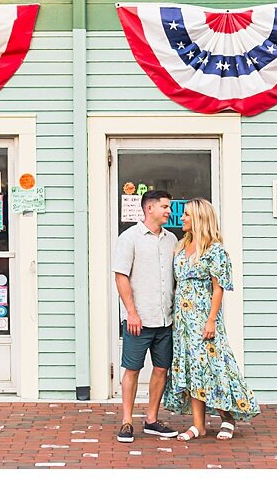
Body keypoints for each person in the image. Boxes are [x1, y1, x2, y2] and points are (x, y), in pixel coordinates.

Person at [163, 198, 260, 440]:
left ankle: (227, 417)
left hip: (203, 317)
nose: (182, 218)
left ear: (198, 218)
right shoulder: (180, 246)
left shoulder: (215, 250)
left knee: (213, 367)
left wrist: (211, 320)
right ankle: (198, 425)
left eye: (186, 214)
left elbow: (219, 288)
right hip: (183, 321)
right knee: (192, 368)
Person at [111, 188, 180, 442]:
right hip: (138, 320)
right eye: (165, 207)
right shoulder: (129, 238)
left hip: (166, 320)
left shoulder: (172, 239)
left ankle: (151, 419)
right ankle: (127, 421)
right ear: (149, 208)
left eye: (169, 207)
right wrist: (131, 313)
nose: (169, 212)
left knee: (161, 369)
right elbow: (121, 276)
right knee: (132, 369)